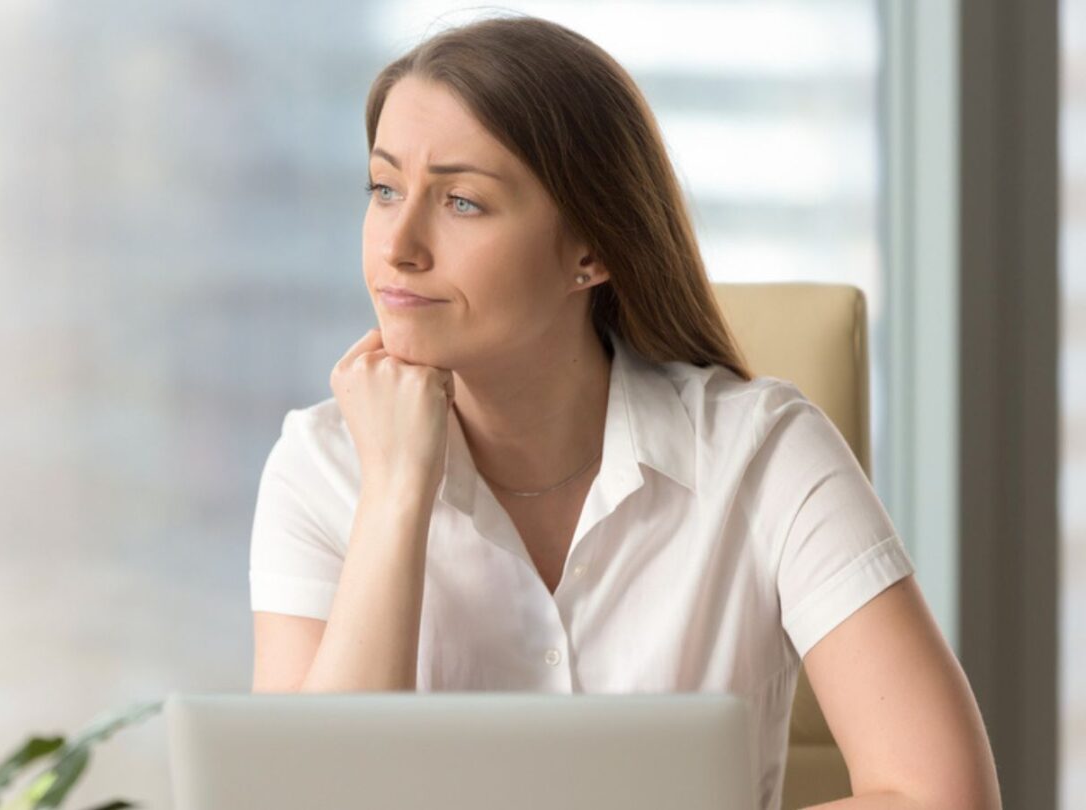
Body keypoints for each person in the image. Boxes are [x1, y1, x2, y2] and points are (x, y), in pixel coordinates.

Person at [248, 14, 1000, 810]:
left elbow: (940, 797)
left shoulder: (764, 452)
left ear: (591, 251)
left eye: (462, 202)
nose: (398, 244)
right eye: (385, 188)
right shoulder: (320, 467)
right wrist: (396, 491)